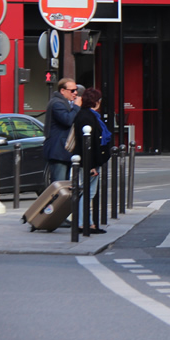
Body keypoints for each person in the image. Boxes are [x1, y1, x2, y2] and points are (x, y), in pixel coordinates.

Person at [72, 88, 112, 234]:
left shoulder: (87, 115)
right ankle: (84, 224)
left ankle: (88, 223)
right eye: (99, 100)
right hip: (88, 162)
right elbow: (88, 144)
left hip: (90, 160)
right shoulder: (87, 117)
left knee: (88, 192)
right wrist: (91, 165)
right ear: (96, 101)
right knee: (88, 192)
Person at [43, 78, 82, 182]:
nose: (75, 93)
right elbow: (68, 120)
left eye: (76, 89)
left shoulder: (64, 103)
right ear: (62, 91)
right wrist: (77, 106)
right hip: (58, 151)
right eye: (72, 90)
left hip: (63, 151)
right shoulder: (57, 103)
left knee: (64, 184)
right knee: (59, 186)